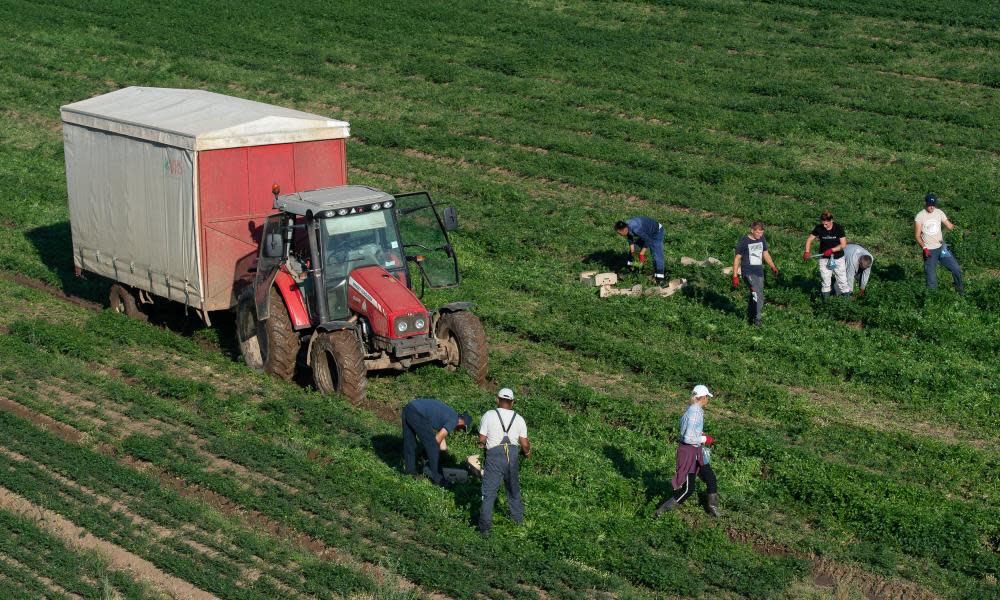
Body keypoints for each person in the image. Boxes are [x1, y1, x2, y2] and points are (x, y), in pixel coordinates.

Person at [654, 385, 719, 518]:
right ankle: (660, 513)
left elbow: (689, 431)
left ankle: (713, 509)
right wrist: (704, 438)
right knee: (688, 489)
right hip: (689, 453)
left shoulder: (694, 410)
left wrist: (700, 434)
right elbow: (689, 438)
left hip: (696, 451)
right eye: (707, 397)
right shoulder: (695, 412)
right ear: (703, 397)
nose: (708, 400)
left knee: (710, 477)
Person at [477, 388, 530, 536]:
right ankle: (518, 522)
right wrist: (527, 454)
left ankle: (485, 529)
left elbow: (482, 439)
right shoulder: (519, 419)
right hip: (512, 456)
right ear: (512, 402)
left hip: (494, 456)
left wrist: (481, 446)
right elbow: (524, 443)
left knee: (489, 493)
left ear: (498, 399)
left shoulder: (489, 415)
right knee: (513, 490)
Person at [401, 397, 472, 487]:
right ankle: (437, 478)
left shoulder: (449, 414)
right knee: (433, 445)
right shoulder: (454, 420)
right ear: (462, 422)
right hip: (417, 413)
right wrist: (428, 453)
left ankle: (410, 472)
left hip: (409, 408)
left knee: (410, 443)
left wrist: (443, 451)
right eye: (462, 428)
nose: (459, 430)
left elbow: (441, 439)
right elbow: (437, 440)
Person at [732, 221, 779, 327]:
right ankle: (758, 320)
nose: (760, 235)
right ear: (752, 230)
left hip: (759, 272)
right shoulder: (744, 241)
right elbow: (737, 258)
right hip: (748, 272)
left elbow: (765, 253)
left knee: (756, 295)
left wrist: (772, 266)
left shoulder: (761, 239)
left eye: (761, 233)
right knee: (758, 294)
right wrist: (735, 276)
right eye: (758, 233)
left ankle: (750, 316)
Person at [915, 193, 964, 294]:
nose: (932, 207)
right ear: (925, 203)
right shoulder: (920, 216)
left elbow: (949, 226)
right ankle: (933, 300)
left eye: (933, 204)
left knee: (956, 269)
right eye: (929, 204)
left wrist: (958, 231)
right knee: (931, 277)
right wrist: (924, 248)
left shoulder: (939, 212)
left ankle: (960, 291)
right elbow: (917, 236)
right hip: (929, 250)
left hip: (942, 248)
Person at [803, 211, 850, 299]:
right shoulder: (819, 228)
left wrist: (832, 250)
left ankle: (846, 302)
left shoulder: (838, 228)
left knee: (842, 281)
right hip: (824, 257)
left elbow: (843, 244)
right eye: (823, 224)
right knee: (825, 280)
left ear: (831, 220)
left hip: (838, 257)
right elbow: (809, 239)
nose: (824, 226)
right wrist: (807, 251)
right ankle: (826, 302)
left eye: (826, 224)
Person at [615, 217, 666, 286]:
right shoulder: (626, 225)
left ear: (624, 230)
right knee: (634, 251)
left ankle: (660, 279)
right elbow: (629, 236)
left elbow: (648, 240)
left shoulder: (636, 228)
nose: (620, 235)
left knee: (656, 255)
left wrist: (642, 252)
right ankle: (632, 271)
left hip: (656, 233)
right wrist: (632, 250)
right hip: (645, 233)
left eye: (620, 233)